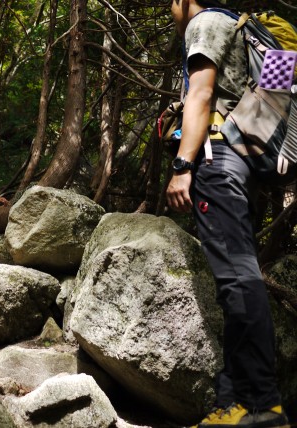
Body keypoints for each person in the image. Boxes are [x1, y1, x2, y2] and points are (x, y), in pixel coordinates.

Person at [166, 1, 289, 427]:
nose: (170, 11)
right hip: (246, 168)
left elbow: (200, 95)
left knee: (237, 278)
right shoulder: (242, 27)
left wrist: (182, 167)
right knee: (237, 278)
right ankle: (235, 401)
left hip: (217, 161)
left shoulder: (203, 23)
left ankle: (261, 405)